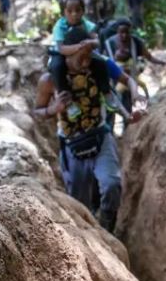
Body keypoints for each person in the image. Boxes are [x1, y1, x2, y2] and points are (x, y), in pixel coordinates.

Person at [33, 26, 144, 232]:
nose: (85, 63)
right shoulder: (49, 81)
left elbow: (118, 90)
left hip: (100, 135)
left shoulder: (98, 66)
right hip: (72, 143)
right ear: (68, 54)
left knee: (111, 185)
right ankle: (88, 236)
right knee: (79, 202)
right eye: (80, 58)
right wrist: (53, 109)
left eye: (89, 57)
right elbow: (37, 112)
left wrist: (130, 111)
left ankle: (107, 230)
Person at [102, 17, 166, 116]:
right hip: (112, 82)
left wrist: (165, 63)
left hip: (130, 79)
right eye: (121, 33)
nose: (124, 36)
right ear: (117, 31)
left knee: (127, 107)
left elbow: (149, 57)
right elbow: (102, 62)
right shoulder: (109, 44)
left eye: (127, 32)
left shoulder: (136, 42)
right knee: (111, 109)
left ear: (130, 31)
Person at [47, 0, 99, 97]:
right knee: (57, 67)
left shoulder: (86, 24)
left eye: (78, 10)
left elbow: (97, 41)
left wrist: (91, 42)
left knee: (101, 62)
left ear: (83, 11)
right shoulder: (60, 26)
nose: (74, 14)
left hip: (84, 50)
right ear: (63, 13)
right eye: (70, 11)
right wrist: (79, 47)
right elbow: (61, 48)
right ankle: (64, 93)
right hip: (61, 52)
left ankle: (106, 91)